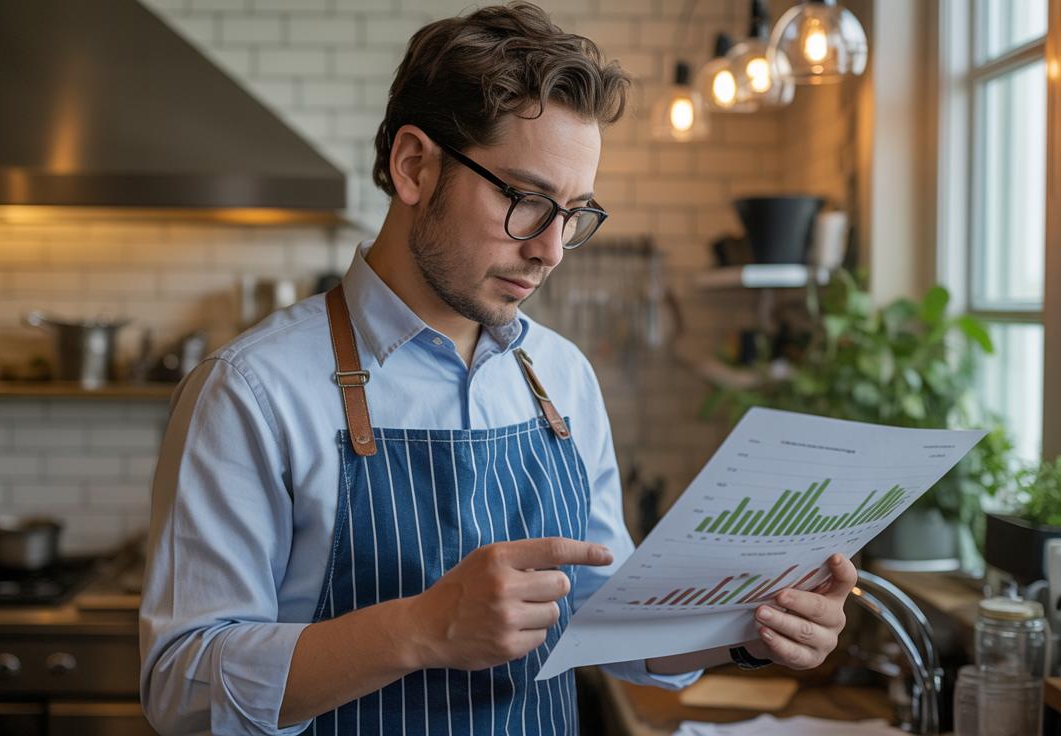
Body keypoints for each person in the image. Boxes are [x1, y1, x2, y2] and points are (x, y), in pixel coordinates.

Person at [139, 3, 856, 734]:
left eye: (573, 213)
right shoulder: (252, 391)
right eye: (525, 200)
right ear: (414, 166)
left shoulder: (562, 377)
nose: (550, 249)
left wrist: (748, 629)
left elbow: (612, 623)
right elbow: (182, 687)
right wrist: (418, 628)